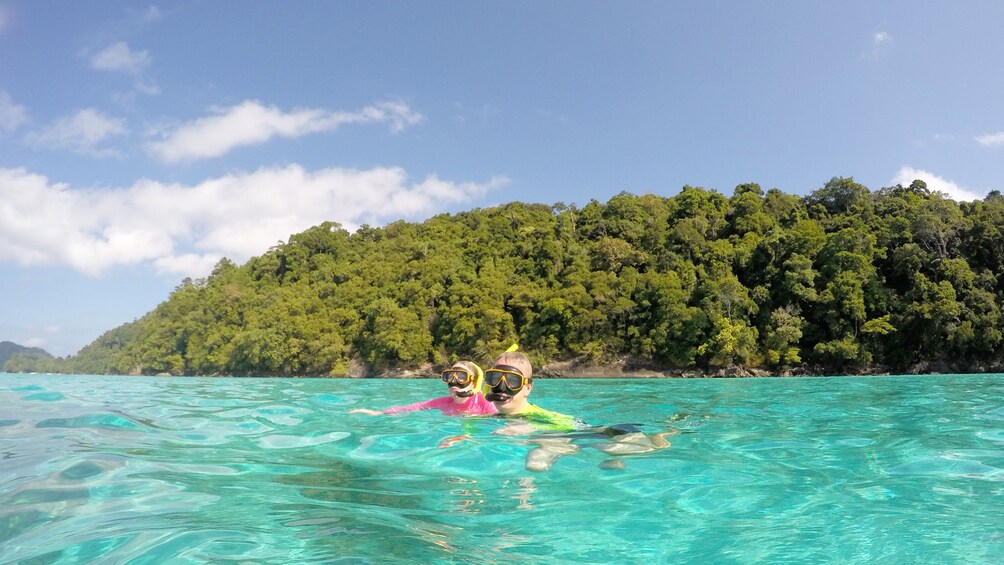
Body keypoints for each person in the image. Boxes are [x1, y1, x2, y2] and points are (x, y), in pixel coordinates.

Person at [485, 350, 675, 471]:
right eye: (494, 379)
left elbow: (563, 434)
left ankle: (666, 432)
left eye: (512, 381)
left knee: (647, 449)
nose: (501, 387)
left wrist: (530, 431)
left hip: (602, 432)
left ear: (527, 388)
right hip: (577, 438)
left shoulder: (536, 416)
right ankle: (614, 462)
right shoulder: (495, 416)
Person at [350, 360, 498, 416]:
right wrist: (379, 413)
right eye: (449, 376)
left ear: (474, 382)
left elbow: (502, 420)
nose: (454, 382)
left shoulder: (485, 403)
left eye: (461, 376)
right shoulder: (444, 403)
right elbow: (412, 408)